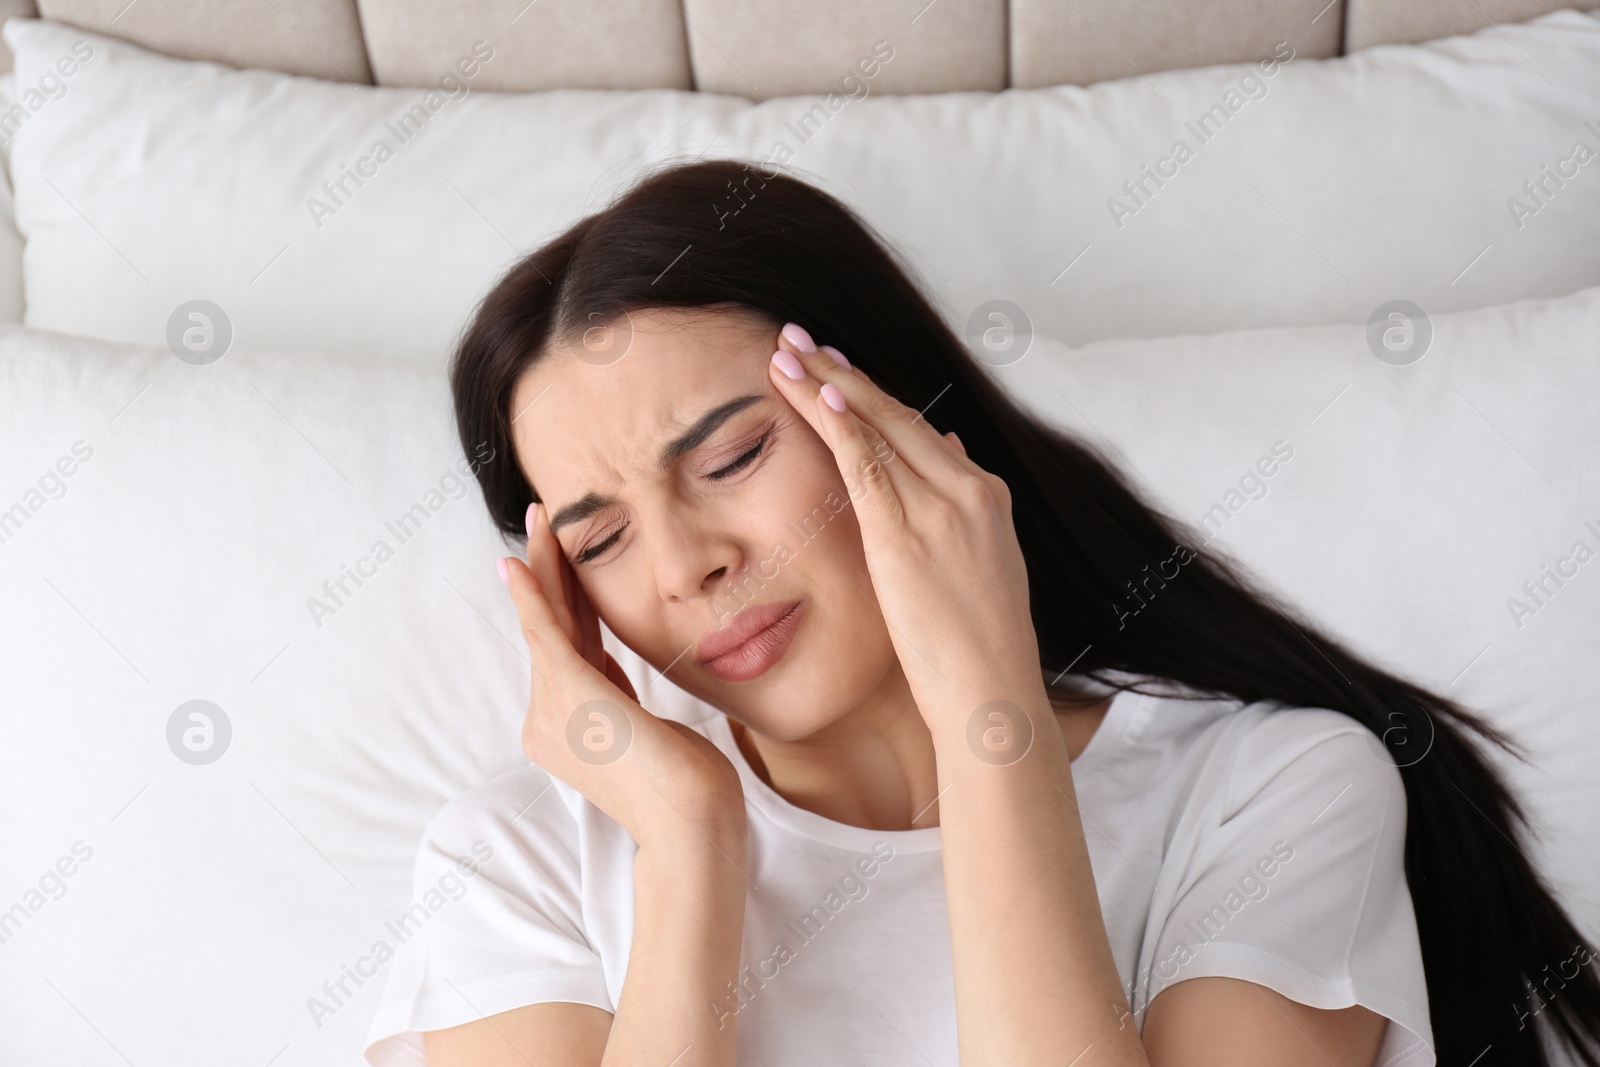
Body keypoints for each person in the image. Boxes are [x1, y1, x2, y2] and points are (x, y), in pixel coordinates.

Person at [362, 159, 1600, 1067]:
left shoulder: (1270, 789)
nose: (685, 565)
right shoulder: (517, 862)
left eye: (732, 458)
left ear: (895, 409)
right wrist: (691, 851)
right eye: (604, 536)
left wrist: (987, 705)